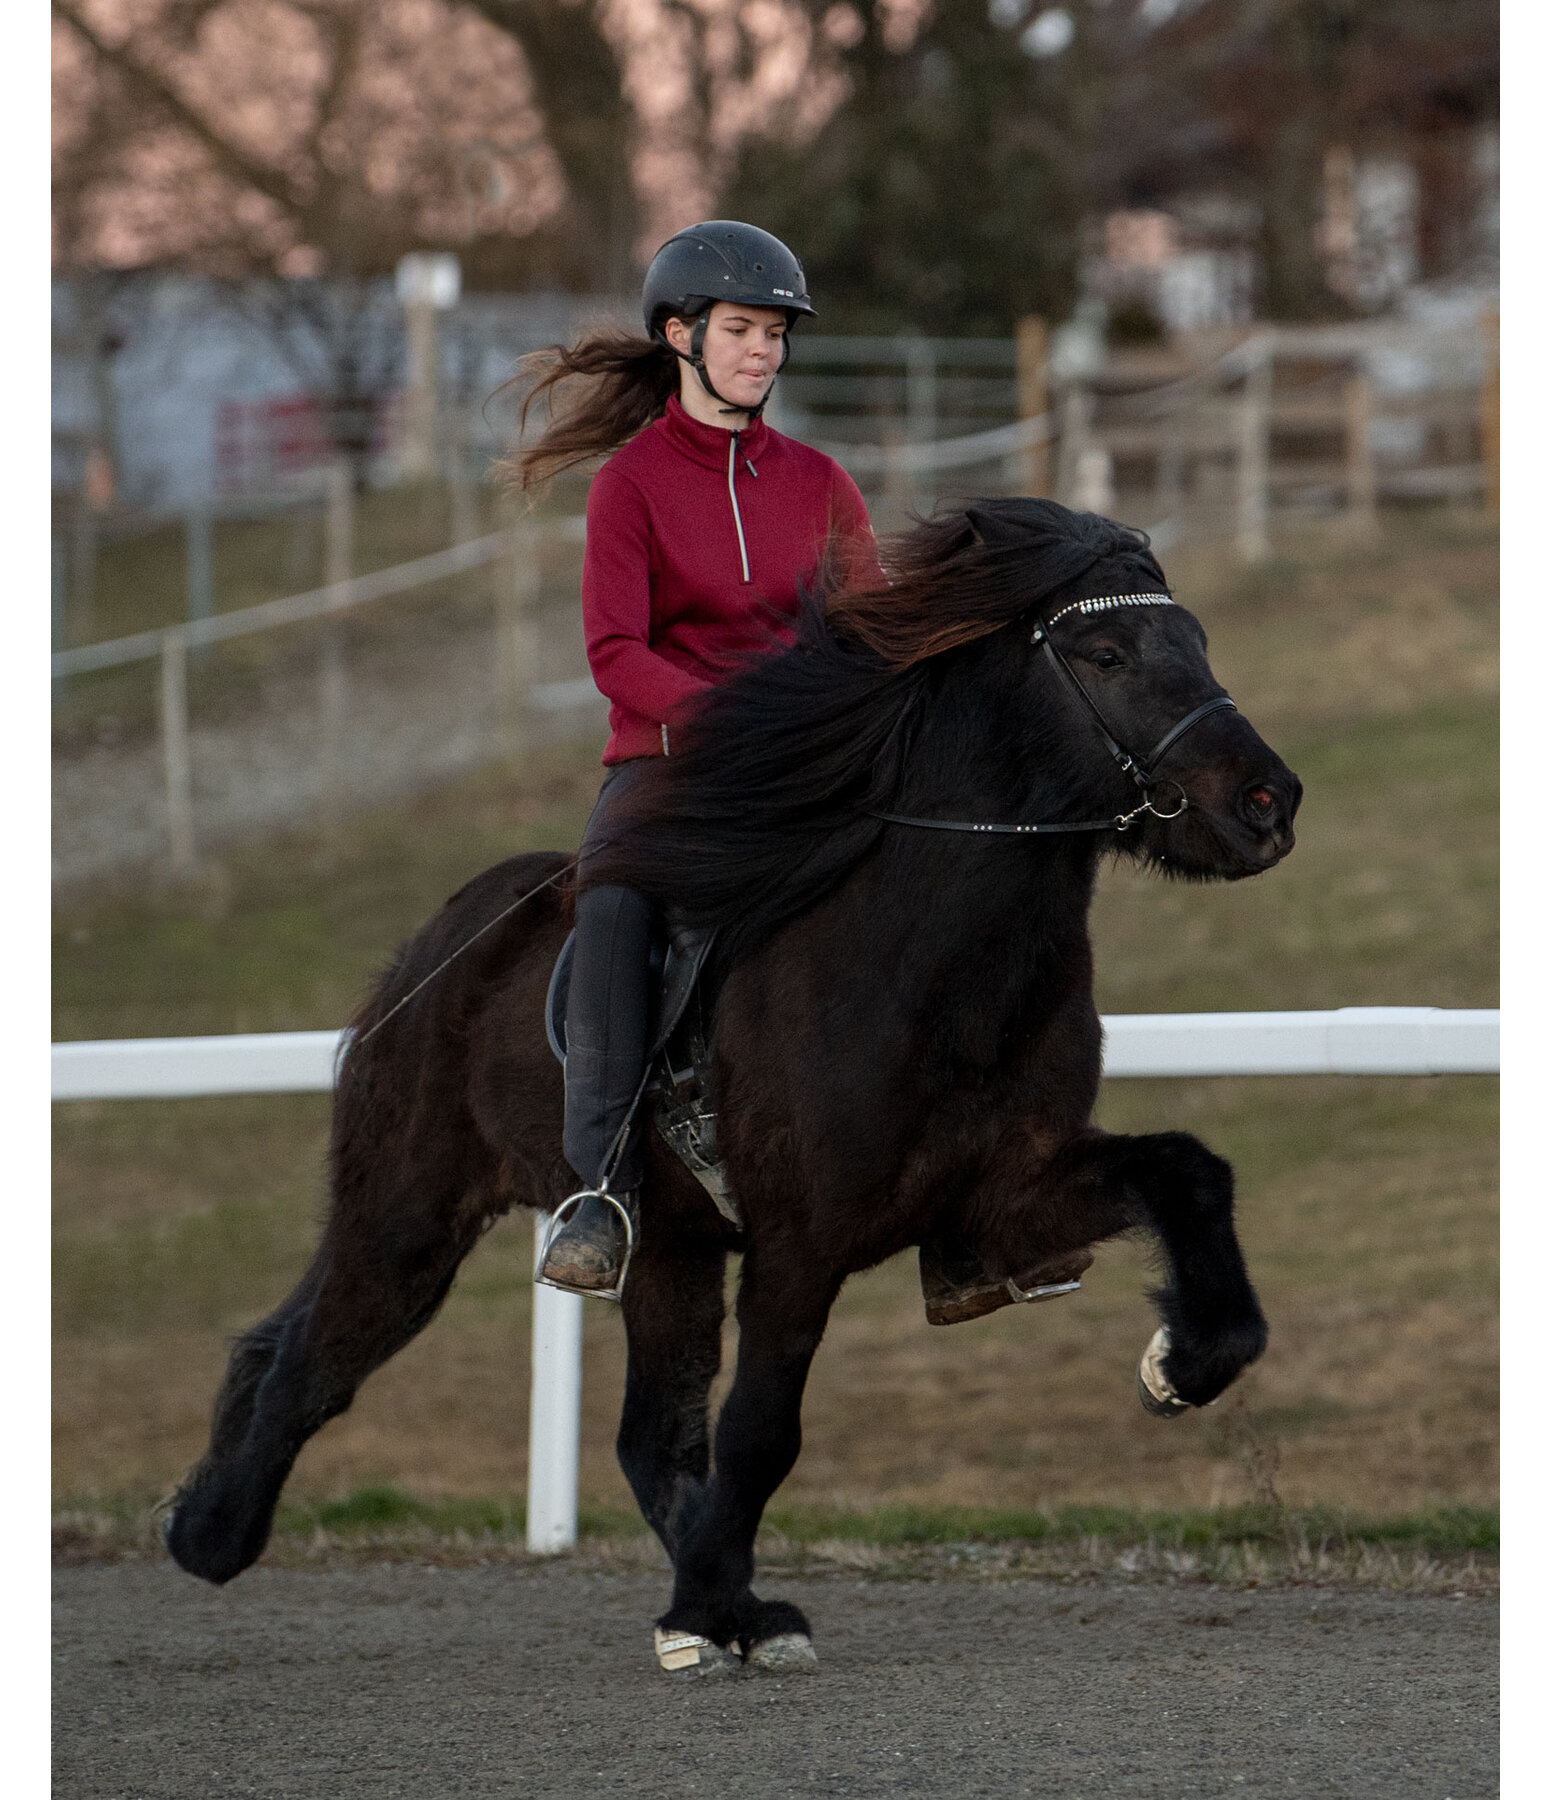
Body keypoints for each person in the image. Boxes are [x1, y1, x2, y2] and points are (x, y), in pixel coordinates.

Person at [506, 221, 880, 1299]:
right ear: (681, 335)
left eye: (774, 334)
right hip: (670, 764)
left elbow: (868, 626)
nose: (763, 352)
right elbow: (615, 653)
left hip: (809, 765)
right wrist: (732, 718)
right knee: (614, 900)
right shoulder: (627, 487)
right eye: (742, 330)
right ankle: (602, 1191)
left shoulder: (819, 482)